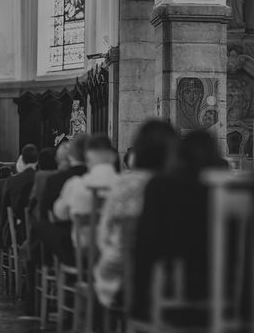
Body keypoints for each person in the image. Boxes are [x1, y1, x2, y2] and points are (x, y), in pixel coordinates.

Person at [131, 130, 226, 322]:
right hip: (229, 290)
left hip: (180, 289)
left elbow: (146, 243)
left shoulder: (161, 186)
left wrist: (137, 297)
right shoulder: (229, 188)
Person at [94, 120, 178, 308]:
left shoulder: (124, 185)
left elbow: (104, 237)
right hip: (173, 288)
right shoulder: (178, 187)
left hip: (122, 284)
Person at [53, 135, 119, 248]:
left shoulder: (76, 184)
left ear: (87, 157)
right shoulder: (124, 185)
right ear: (113, 157)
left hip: (82, 253)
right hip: (117, 253)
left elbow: (60, 213)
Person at [37, 134, 89, 265]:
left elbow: (51, 213)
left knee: (41, 223)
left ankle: (46, 264)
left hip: (71, 247)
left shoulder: (57, 180)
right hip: (100, 246)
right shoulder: (96, 177)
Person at [0, 144, 39, 245]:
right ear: (37, 161)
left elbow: (4, 208)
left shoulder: (12, 181)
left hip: (19, 231)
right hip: (40, 230)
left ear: (23, 161)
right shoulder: (43, 179)